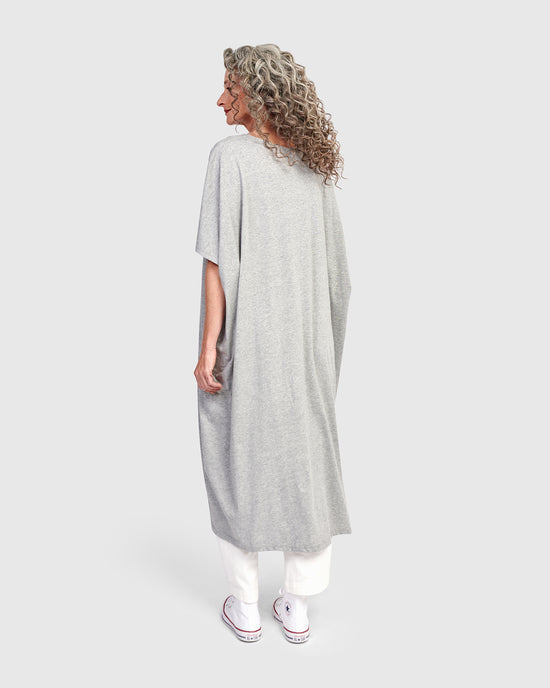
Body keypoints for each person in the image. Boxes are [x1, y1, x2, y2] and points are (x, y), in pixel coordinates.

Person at [194, 44, 352, 644]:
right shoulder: (313, 167)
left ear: (255, 95)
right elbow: (339, 278)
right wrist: (325, 353)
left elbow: (216, 261)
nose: (219, 99)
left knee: (236, 456)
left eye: (229, 88)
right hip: (308, 347)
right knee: (307, 464)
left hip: (250, 342)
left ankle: (245, 604)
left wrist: (209, 347)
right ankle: (298, 605)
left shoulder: (229, 158)